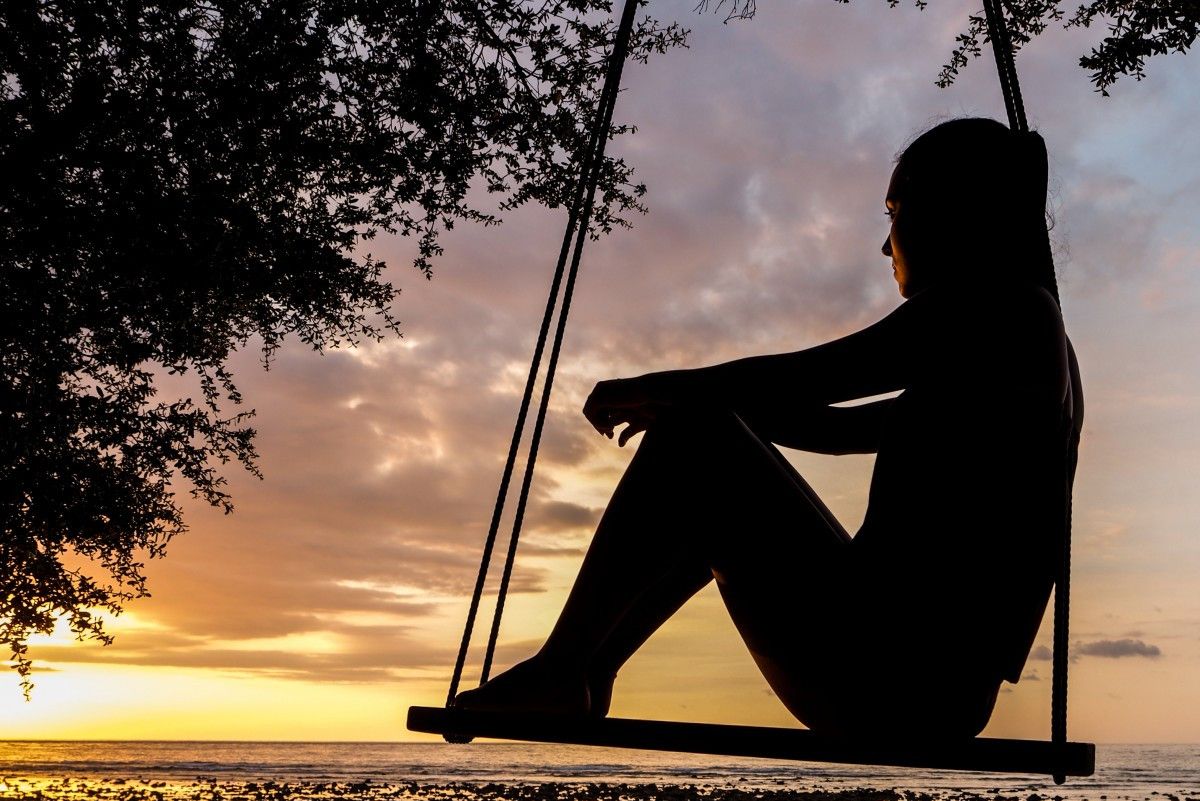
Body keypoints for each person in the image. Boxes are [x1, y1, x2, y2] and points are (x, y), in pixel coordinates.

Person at [454, 117, 1084, 739]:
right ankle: (585, 673)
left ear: (951, 209)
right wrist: (705, 405)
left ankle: (564, 670)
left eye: (893, 211)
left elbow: (821, 375)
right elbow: (832, 427)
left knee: (697, 438)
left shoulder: (1000, 309)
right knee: (706, 444)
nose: (885, 245)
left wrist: (673, 392)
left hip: (891, 674)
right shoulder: (1022, 344)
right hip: (926, 686)